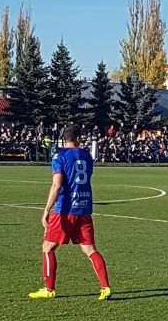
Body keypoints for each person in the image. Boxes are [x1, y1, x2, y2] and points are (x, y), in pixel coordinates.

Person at [29, 124, 111, 300]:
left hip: (64, 209)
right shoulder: (87, 155)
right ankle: (105, 287)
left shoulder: (60, 155)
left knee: (48, 247)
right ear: (79, 138)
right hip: (84, 207)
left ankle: (49, 289)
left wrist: (46, 210)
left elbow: (57, 184)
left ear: (63, 138)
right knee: (90, 249)